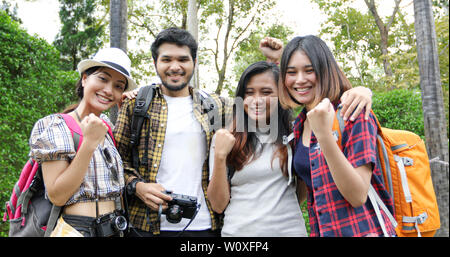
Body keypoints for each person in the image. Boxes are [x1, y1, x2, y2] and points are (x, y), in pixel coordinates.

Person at [114, 27, 232, 237]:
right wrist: (137, 187)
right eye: (166, 59)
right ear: (155, 63)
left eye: (183, 60)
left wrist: (274, 62)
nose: (175, 67)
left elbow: (262, 106)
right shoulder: (137, 105)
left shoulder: (215, 105)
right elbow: (114, 163)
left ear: (194, 63)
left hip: (203, 225)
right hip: (145, 226)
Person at [277, 35, 396, 237]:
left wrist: (324, 135)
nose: (299, 80)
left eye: (309, 70)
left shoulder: (353, 113)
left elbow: (357, 195)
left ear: (324, 71)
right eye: (291, 72)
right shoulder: (299, 125)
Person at [29, 47, 138, 237]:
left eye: (118, 86)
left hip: (114, 228)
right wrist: (89, 143)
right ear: (85, 78)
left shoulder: (107, 128)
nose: (108, 90)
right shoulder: (56, 126)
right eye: (103, 79)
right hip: (77, 230)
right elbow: (57, 195)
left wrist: (128, 105)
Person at [207, 61, 308, 236]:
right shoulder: (225, 137)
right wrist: (220, 156)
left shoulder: (296, 134)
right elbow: (218, 204)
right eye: (249, 92)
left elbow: (302, 189)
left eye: (266, 92)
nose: (256, 100)